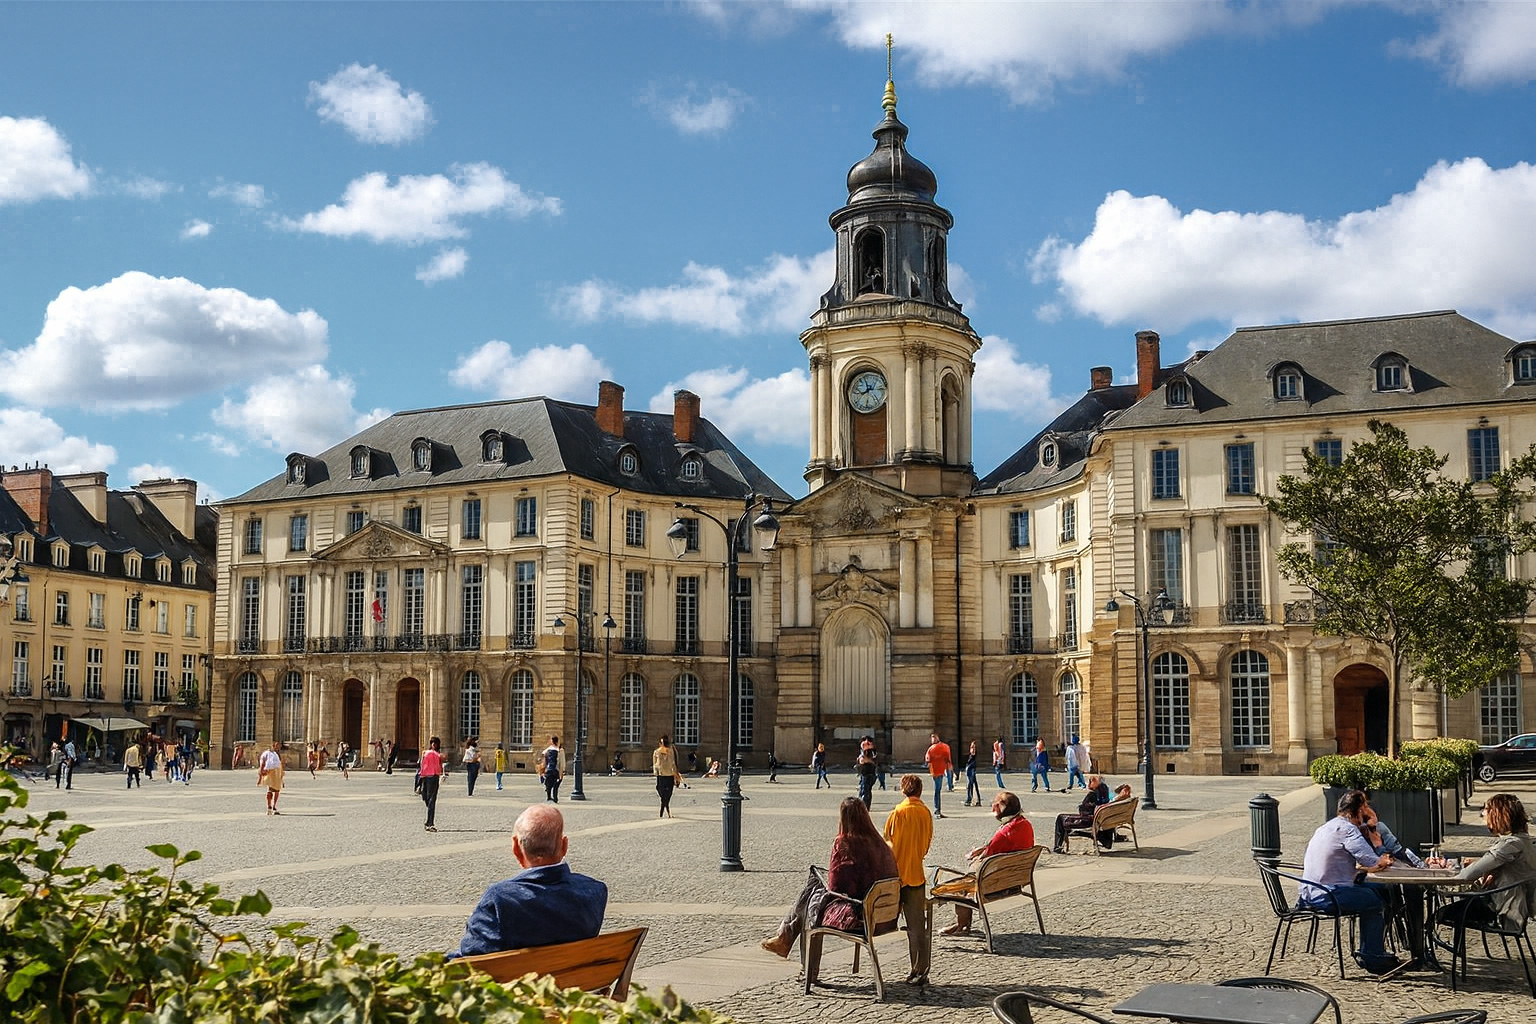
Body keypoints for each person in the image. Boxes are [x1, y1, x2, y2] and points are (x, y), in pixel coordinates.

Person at [449, 804, 608, 958]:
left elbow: (472, 956)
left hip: (518, 983)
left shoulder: (500, 899)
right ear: (564, 846)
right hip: (578, 982)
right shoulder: (595, 891)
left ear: (516, 849)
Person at [761, 797, 900, 957]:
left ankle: (792, 947)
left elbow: (835, 887)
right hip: (886, 917)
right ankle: (784, 936)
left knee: (813, 898)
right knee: (814, 893)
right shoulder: (880, 844)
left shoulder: (845, 843)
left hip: (860, 917)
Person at [1298, 789, 1400, 974]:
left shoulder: (1327, 826)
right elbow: (1374, 861)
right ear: (1360, 810)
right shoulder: (1348, 830)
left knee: (1376, 889)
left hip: (1309, 891)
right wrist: (1374, 831)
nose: (1368, 809)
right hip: (1328, 893)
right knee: (1373, 900)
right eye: (1366, 806)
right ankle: (1373, 957)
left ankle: (1370, 951)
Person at [1435, 792, 1536, 932]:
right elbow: (1488, 865)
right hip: (1509, 905)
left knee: (1440, 914)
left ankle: (1423, 951)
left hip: (1503, 911)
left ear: (1498, 815)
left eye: (1486, 810)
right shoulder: (1522, 840)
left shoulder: (1510, 844)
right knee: (1452, 909)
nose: (1483, 813)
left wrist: (1443, 878)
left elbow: (1467, 875)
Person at [938, 791, 1035, 935]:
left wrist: (976, 857)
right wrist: (985, 848)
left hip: (995, 884)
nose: (992, 809)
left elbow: (985, 860)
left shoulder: (1004, 832)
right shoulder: (1025, 825)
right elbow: (1007, 847)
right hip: (1016, 879)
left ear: (1002, 807)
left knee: (959, 885)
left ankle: (962, 926)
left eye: (995, 805)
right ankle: (962, 925)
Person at [883, 775, 935, 987]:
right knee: (917, 928)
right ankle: (920, 969)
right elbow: (926, 843)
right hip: (916, 874)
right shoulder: (925, 813)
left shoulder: (898, 813)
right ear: (920, 791)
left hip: (896, 876)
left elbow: (889, 844)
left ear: (904, 790)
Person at [1052, 774, 1111, 852]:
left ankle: (1058, 846)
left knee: (1060, 818)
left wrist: (1082, 806)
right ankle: (1067, 836)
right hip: (1095, 818)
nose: (1088, 783)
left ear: (1094, 782)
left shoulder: (1093, 794)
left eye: (1090, 781)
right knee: (1063, 818)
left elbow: (1084, 811)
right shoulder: (1104, 792)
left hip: (1087, 820)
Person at [418, 736, 444, 831]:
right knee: (425, 797)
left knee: (432, 799)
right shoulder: (425, 753)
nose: (433, 744)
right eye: (432, 743)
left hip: (434, 776)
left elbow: (442, 762)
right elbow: (421, 765)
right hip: (425, 776)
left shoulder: (438, 754)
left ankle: (430, 822)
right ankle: (430, 809)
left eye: (435, 743)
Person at [924, 733, 952, 818]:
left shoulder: (931, 749)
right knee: (937, 791)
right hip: (939, 771)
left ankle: (937, 810)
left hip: (937, 772)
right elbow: (948, 759)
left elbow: (927, 760)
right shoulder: (945, 747)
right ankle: (937, 810)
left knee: (937, 791)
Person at [258, 741, 285, 815]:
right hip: (270, 772)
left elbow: (280, 764)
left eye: (279, 745)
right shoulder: (267, 753)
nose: (278, 747)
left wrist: (282, 775)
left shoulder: (278, 754)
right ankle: (269, 806)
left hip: (278, 772)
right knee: (269, 790)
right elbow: (262, 762)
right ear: (273, 746)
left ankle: (274, 806)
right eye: (276, 745)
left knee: (277, 790)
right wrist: (260, 775)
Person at [653, 735, 678, 818]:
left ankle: (664, 806)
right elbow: (655, 763)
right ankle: (665, 805)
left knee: (668, 793)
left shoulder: (670, 751)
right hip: (662, 774)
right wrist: (656, 772)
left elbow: (674, 763)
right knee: (661, 790)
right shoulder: (657, 752)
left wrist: (676, 774)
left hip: (668, 774)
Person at [540, 736, 564, 802]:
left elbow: (543, 759)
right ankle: (555, 798)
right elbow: (561, 763)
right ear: (557, 741)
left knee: (548, 784)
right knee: (556, 785)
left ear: (551, 741)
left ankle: (549, 796)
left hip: (548, 770)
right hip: (556, 770)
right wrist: (561, 772)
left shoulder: (547, 750)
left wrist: (543, 770)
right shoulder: (559, 750)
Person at [963, 740, 981, 807]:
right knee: (970, 786)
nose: (971, 749)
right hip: (969, 771)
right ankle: (972, 800)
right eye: (971, 747)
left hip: (971, 771)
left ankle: (972, 800)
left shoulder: (973, 756)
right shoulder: (970, 756)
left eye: (973, 747)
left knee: (971, 786)